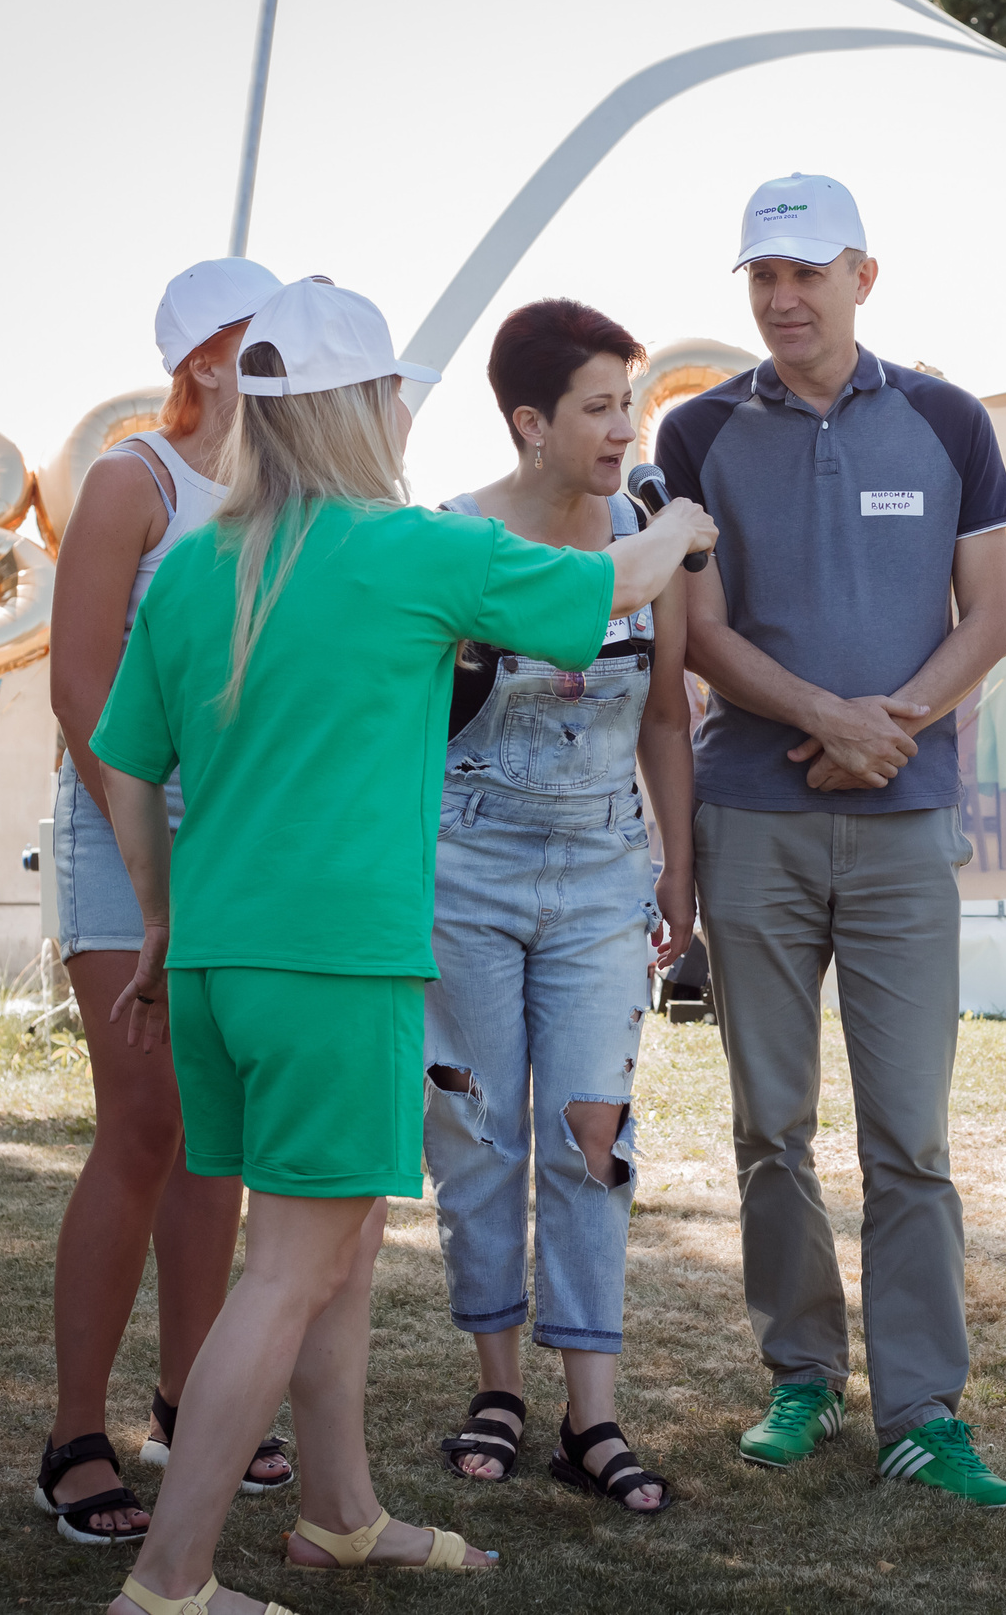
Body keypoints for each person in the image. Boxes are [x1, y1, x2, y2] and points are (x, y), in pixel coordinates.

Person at [91, 277, 714, 1615]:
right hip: (339, 963)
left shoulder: (201, 560)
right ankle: (169, 1577)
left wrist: (155, 916)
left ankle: (340, 1513)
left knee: (339, 1245)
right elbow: (611, 583)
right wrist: (688, 523)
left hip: (217, 960)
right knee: (295, 1264)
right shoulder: (405, 549)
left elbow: (126, 761)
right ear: (365, 406)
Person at [657, 172, 1006, 1504]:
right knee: (770, 1125)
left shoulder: (947, 417)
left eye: (807, 271)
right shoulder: (694, 433)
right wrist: (824, 715)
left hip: (904, 825)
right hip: (752, 816)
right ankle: (802, 1372)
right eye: (761, 273)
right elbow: (695, 627)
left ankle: (922, 1406)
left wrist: (895, 726)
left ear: (865, 276)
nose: (782, 296)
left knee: (910, 1136)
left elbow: (991, 612)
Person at [422, 299, 694, 1514]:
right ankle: (496, 1386)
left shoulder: (647, 529)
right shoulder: (450, 540)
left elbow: (666, 713)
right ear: (530, 423)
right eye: (597, 407)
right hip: (463, 874)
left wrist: (675, 868)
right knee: (477, 1138)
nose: (622, 428)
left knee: (595, 1140)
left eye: (627, 403)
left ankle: (595, 1419)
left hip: (602, 878)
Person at [37, 257, 288, 1546]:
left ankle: (191, 1405)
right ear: (202, 360)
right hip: (122, 835)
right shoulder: (134, 481)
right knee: (142, 1125)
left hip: (238, 844)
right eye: (263, 335)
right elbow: (82, 694)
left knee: (216, 1136)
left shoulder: (289, 486)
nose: (289, 351)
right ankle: (76, 1437)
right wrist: (153, 880)